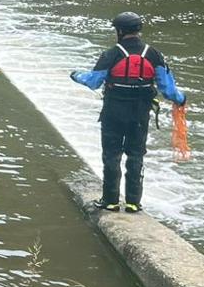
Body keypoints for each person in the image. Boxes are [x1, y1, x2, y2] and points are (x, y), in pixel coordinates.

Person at [70, 12, 187, 213]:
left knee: (111, 155)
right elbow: (168, 89)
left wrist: (75, 75)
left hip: (113, 114)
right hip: (140, 115)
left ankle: (110, 201)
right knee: (136, 155)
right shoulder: (154, 55)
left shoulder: (111, 54)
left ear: (120, 31)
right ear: (138, 30)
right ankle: (133, 203)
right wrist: (181, 99)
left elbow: (93, 81)